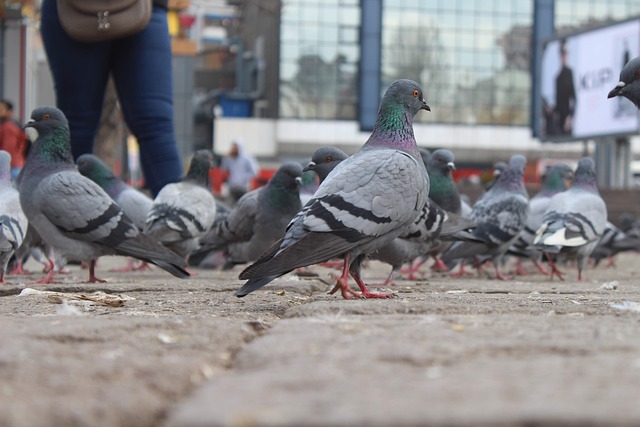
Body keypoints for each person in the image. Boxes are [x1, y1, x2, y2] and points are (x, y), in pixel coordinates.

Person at [39, 0, 183, 197]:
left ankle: (181, 220)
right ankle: (65, 220)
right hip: (72, 11)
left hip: (144, 9)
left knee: (155, 124)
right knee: (76, 127)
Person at [220, 138, 259, 203]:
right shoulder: (231, 158)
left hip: (243, 188)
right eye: (233, 147)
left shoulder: (247, 158)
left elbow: (255, 172)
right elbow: (223, 170)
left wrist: (242, 178)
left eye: (235, 147)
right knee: (229, 205)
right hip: (232, 187)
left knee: (242, 205)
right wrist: (225, 158)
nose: (233, 149)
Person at [0, 99, 27, 180]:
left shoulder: (8, 127)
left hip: (11, 169)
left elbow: (7, 150)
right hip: (15, 167)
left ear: (9, 112)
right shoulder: (13, 124)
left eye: (1, 110)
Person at [554, 39, 576, 136]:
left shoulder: (569, 73)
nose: (564, 56)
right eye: (562, 53)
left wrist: (570, 117)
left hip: (567, 120)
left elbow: (574, 99)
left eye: (566, 53)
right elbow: (558, 103)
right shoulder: (557, 77)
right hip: (559, 122)